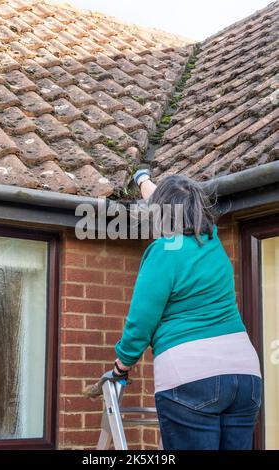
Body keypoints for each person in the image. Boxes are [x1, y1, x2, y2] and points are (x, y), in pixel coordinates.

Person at [111, 169, 262, 450]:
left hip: (191, 377)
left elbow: (141, 321)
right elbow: (162, 199)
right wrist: (142, 179)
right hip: (246, 377)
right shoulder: (213, 243)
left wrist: (122, 363)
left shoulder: (165, 250)